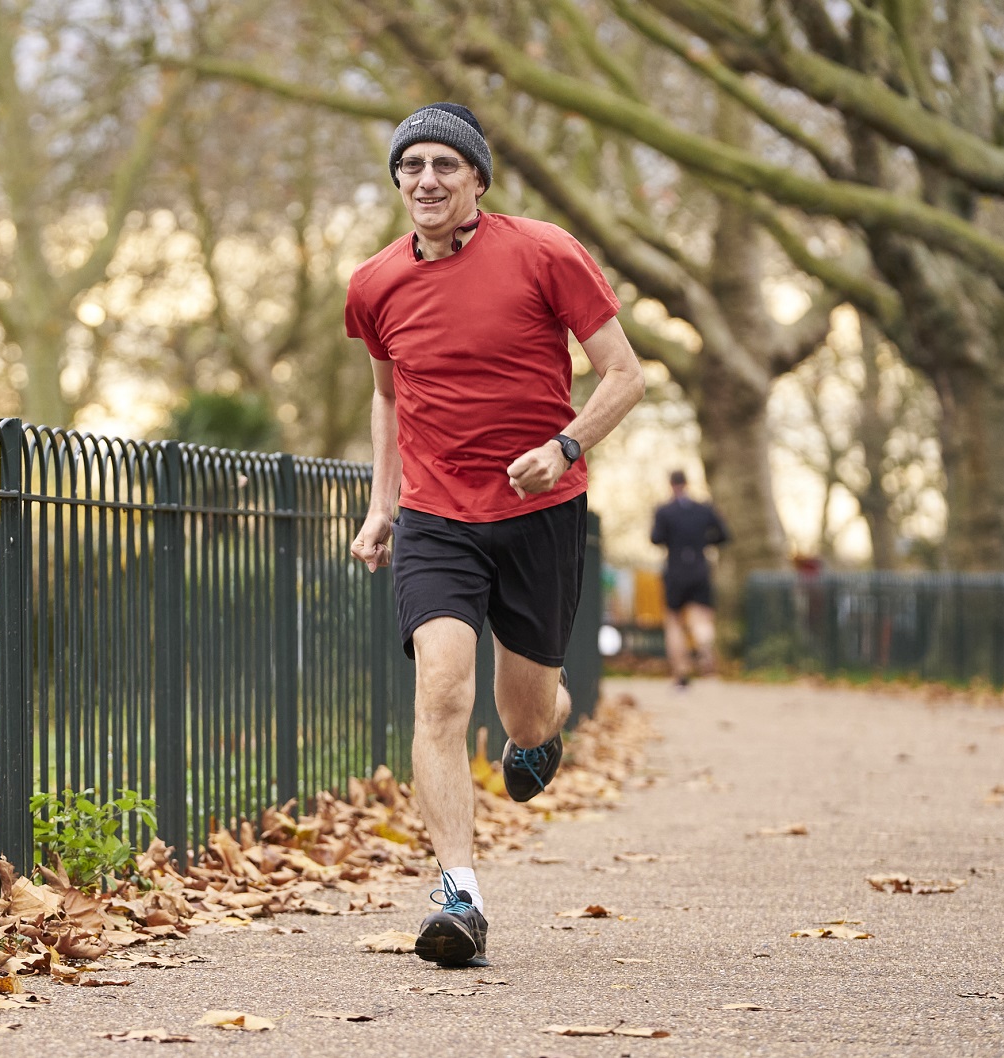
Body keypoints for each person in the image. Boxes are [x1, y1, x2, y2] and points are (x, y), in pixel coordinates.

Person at [345, 103, 645, 967]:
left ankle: (545, 725)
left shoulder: (545, 251)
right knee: (440, 691)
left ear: (477, 178)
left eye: (446, 164)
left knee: (523, 709)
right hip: (439, 517)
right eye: (412, 166)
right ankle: (460, 895)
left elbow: (626, 374)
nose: (427, 180)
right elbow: (388, 394)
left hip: (538, 512)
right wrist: (383, 503)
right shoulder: (373, 284)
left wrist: (565, 446)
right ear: (399, 180)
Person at [650, 470, 729, 688]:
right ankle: (704, 650)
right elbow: (723, 535)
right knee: (701, 618)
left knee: (674, 620)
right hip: (699, 567)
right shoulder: (703, 509)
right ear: (687, 483)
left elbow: (655, 538)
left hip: (675, 569)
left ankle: (681, 669)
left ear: (671, 485)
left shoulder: (664, 511)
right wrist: (704, 541)